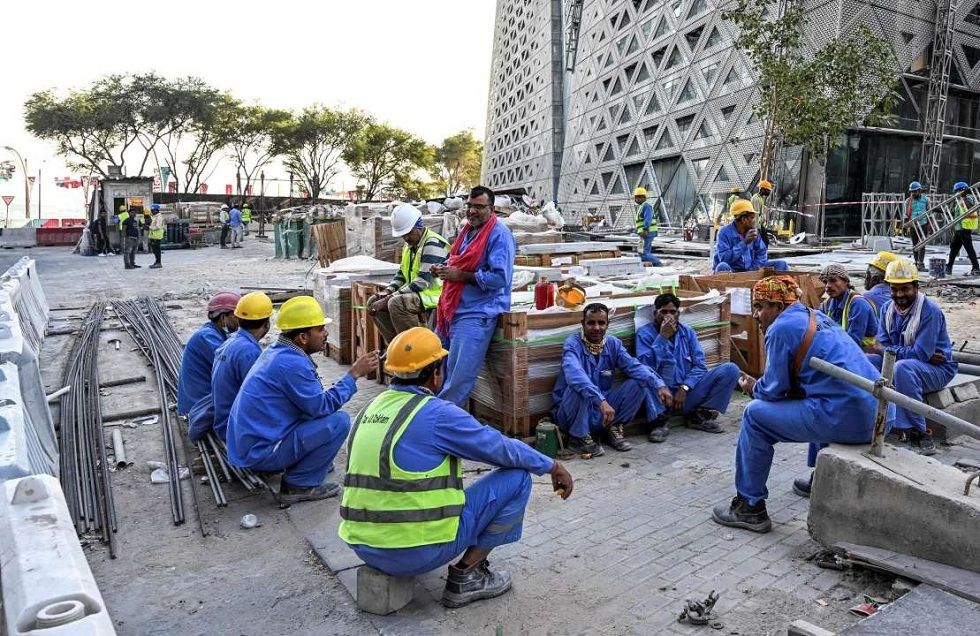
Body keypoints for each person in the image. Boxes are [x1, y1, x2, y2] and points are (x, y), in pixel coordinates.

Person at [339, 327, 574, 608]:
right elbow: (500, 448)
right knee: (518, 477)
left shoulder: (371, 408)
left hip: (363, 546)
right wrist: (552, 465)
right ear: (436, 372)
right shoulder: (437, 414)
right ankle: (467, 576)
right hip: (413, 553)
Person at [711, 276, 889, 533]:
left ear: (779, 307)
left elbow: (772, 391)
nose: (756, 315)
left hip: (852, 419)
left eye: (761, 306)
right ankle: (820, 479)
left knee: (754, 416)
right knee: (819, 392)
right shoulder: (815, 315)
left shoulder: (781, 328)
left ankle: (750, 507)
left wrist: (752, 386)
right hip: (879, 413)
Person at [226, 296, 380, 506]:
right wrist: (353, 374)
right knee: (339, 422)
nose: (325, 334)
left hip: (249, 444)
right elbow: (321, 407)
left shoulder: (277, 351)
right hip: (260, 451)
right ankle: (299, 484)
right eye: (320, 330)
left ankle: (303, 467)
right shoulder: (292, 365)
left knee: (320, 425)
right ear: (303, 338)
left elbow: (308, 404)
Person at [431, 185, 515, 407]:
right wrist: (443, 269)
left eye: (479, 207)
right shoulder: (467, 231)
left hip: (476, 314)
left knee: (458, 380)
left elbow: (500, 279)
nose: (472, 211)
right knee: (437, 368)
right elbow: (455, 261)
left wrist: (460, 275)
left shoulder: (499, 235)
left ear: (492, 208)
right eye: (470, 205)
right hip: (452, 311)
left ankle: (440, 425)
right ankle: (442, 418)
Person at [551, 303, 672, 455]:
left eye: (601, 323)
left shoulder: (613, 344)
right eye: (591, 323)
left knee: (640, 381)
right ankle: (578, 437)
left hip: (603, 413)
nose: (596, 328)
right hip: (572, 414)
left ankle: (612, 428)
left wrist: (659, 385)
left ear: (608, 324)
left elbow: (634, 366)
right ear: (583, 324)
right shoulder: (573, 344)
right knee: (579, 386)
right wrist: (600, 400)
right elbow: (575, 375)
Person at [867, 257, 957, 456]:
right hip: (916, 363)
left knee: (903, 368)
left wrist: (888, 350)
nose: (899, 294)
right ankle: (868, 418)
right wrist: (889, 350)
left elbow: (918, 353)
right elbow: (883, 347)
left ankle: (919, 432)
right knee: (868, 362)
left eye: (905, 289)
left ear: (916, 287)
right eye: (894, 289)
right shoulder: (887, 310)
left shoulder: (929, 312)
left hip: (939, 369)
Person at [636, 293, 742, 443]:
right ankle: (659, 422)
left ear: (678, 314)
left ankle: (698, 415)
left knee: (731, 369)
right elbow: (646, 367)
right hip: (660, 396)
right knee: (641, 381)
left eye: (672, 312)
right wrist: (663, 338)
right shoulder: (644, 334)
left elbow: (700, 366)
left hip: (685, 396)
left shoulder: (688, 332)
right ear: (655, 313)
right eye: (664, 312)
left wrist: (685, 387)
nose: (668, 316)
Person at [188, 292, 273, 443]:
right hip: (232, 427)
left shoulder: (231, 342)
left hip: (221, 417)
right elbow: (260, 398)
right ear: (267, 324)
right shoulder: (248, 352)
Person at [368, 203, 450, 345]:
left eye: (407, 233)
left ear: (418, 227)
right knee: (373, 302)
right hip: (420, 294)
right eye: (403, 235)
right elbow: (401, 275)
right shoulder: (410, 245)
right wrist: (387, 292)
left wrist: (390, 298)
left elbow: (422, 282)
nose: (405, 238)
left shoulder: (433, 243)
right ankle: (397, 346)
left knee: (396, 303)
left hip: (435, 296)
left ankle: (419, 348)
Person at [177, 292, 241, 415]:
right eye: (236, 316)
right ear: (223, 317)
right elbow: (229, 370)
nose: (239, 322)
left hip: (204, 399)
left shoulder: (219, 333)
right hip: (198, 406)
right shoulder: (207, 337)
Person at [713, 200, 788, 273]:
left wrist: (752, 270)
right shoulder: (724, 233)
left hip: (751, 269)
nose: (754, 220)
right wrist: (744, 243)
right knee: (722, 267)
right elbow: (724, 259)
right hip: (732, 271)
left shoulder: (752, 231)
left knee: (781, 264)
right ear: (744, 220)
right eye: (752, 218)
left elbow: (762, 253)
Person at [817, 264, 877, 349]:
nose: (828, 286)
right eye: (825, 282)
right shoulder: (826, 305)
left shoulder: (858, 304)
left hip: (865, 354)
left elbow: (853, 342)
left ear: (845, 282)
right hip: (841, 349)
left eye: (833, 280)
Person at [946, 181, 979, 276]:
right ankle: (949, 267)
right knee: (954, 247)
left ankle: (976, 268)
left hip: (965, 227)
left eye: (958, 191)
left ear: (963, 190)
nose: (956, 193)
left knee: (968, 248)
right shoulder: (958, 201)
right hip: (959, 227)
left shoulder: (968, 198)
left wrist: (962, 198)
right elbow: (953, 213)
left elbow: (969, 207)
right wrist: (940, 211)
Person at [904, 181, 930, 271]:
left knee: (922, 244)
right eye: (912, 192)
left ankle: (921, 264)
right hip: (913, 225)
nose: (913, 193)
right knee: (915, 244)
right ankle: (916, 263)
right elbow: (905, 215)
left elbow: (929, 212)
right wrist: (905, 226)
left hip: (923, 224)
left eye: (915, 191)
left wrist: (929, 225)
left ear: (919, 190)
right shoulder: (908, 201)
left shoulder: (926, 200)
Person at [633, 187, 662, 266]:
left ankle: (658, 264)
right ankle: (654, 264)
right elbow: (640, 222)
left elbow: (647, 218)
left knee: (644, 252)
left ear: (643, 197)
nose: (636, 199)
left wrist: (645, 230)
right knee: (642, 252)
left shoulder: (646, 206)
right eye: (635, 198)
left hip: (647, 233)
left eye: (638, 197)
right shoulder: (642, 207)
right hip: (645, 233)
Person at [751, 179, 773, 245]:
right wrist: (757, 229)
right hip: (756, 226)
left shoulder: (760, 198)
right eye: (768, 190)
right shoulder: (756, 199)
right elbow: (756, 215)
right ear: (763, 189)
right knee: (762, 243)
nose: (769, 192)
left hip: (759, 225)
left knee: (765, 241)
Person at [120, 205, 141, 269]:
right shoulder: (126, 221)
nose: (133, 214)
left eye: (134, 212)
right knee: (127, 252)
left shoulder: (135, 221)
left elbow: (136, 229)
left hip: (135, 238)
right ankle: (127, 265)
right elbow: (123, 230)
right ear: (129, 213)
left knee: (133, 252)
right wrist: (125, 237)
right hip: (129, 238)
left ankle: (132, 263)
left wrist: (138, 237)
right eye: (132, 212)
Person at [148, 204, 165, 269]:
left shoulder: (159, 217)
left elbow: (158, 227)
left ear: (157, 210)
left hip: (157, 236)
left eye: (154, 210)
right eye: (152, 210)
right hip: (153, 235)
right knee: (155, 250)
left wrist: (149, 228)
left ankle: (158, 263)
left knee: (157, 250)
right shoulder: (154, 217)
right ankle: (157, 262)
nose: (152, 211)